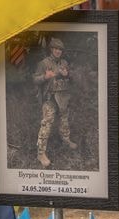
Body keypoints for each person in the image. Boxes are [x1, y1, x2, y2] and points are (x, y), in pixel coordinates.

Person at [34, 37, 76, 168]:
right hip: (50, 98)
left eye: (60, 49)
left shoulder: (64, 62)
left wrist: (67, 74)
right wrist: (45, 77)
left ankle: (65, 139)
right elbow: (35, 79)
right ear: (51, 49)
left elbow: (71, 77)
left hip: (63, 97)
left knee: (64, 119)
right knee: (46, 123)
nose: (58, 51)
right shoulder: (44, 63)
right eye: (56, 49)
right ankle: (41, 153)